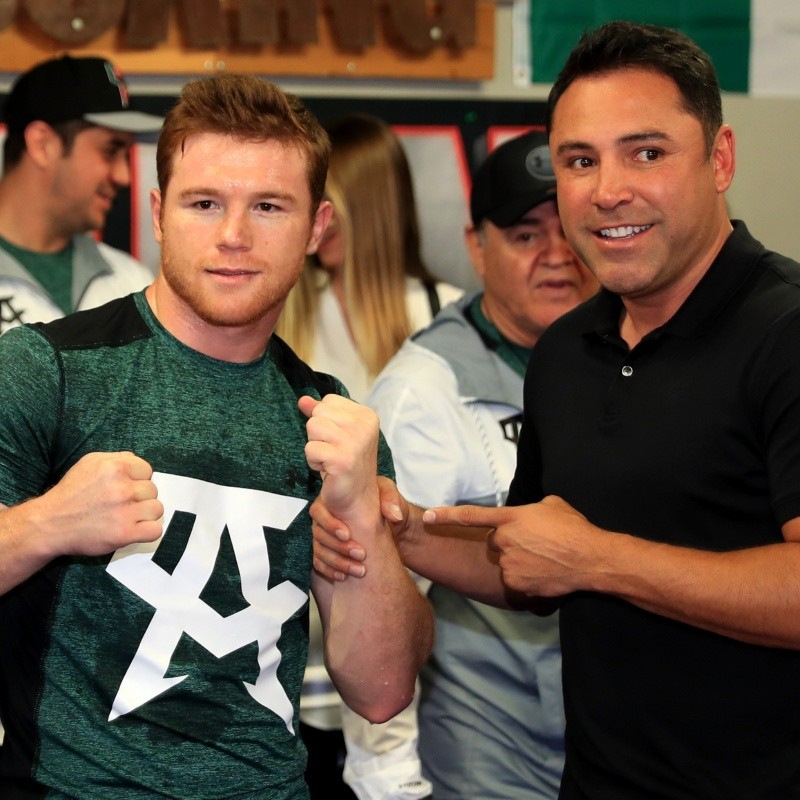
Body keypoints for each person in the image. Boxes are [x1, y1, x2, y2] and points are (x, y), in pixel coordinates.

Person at [311, 20, 800, 800]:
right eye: (581, 160)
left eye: (647, 152)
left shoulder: (784, 329)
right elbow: (534, 564)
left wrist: (599, 560)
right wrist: (397, 526)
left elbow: (581, 557)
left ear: (720, 159)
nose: (608, 189)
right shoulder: (569, 350)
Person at [0, 73, 433, 799]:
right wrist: (48, 524)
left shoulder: (329, 419)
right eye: (206, 203)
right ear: (160, 213)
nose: (234, 236)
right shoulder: (47, 371)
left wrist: (361, 511)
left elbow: (383, 690)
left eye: (269, 206)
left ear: (318, 227)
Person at [357, 129, 597, 800]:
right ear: (477, 247)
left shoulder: (626, 358)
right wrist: (389, 780)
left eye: (570, 230)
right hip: (488, 757)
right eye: (525, 235)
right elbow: (373, 602)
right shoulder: (424, 392)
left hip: (618, 748)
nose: (556, 256)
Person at [277, 112, 460, 800]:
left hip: (400, 663)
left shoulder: (441, 318)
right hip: (287, 658)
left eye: (331, 208)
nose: (315, 227)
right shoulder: (283, 310)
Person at [276, 112, 462, 402]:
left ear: (373, 209)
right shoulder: (281, 311)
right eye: (311, 201)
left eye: (330, 201)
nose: (317, 221)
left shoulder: (445, 314)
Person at [0, 54, 161, 334]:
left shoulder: (133, 283)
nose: (124, 176)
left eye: (126, 155)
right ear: (43, 145)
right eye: (111, 150)